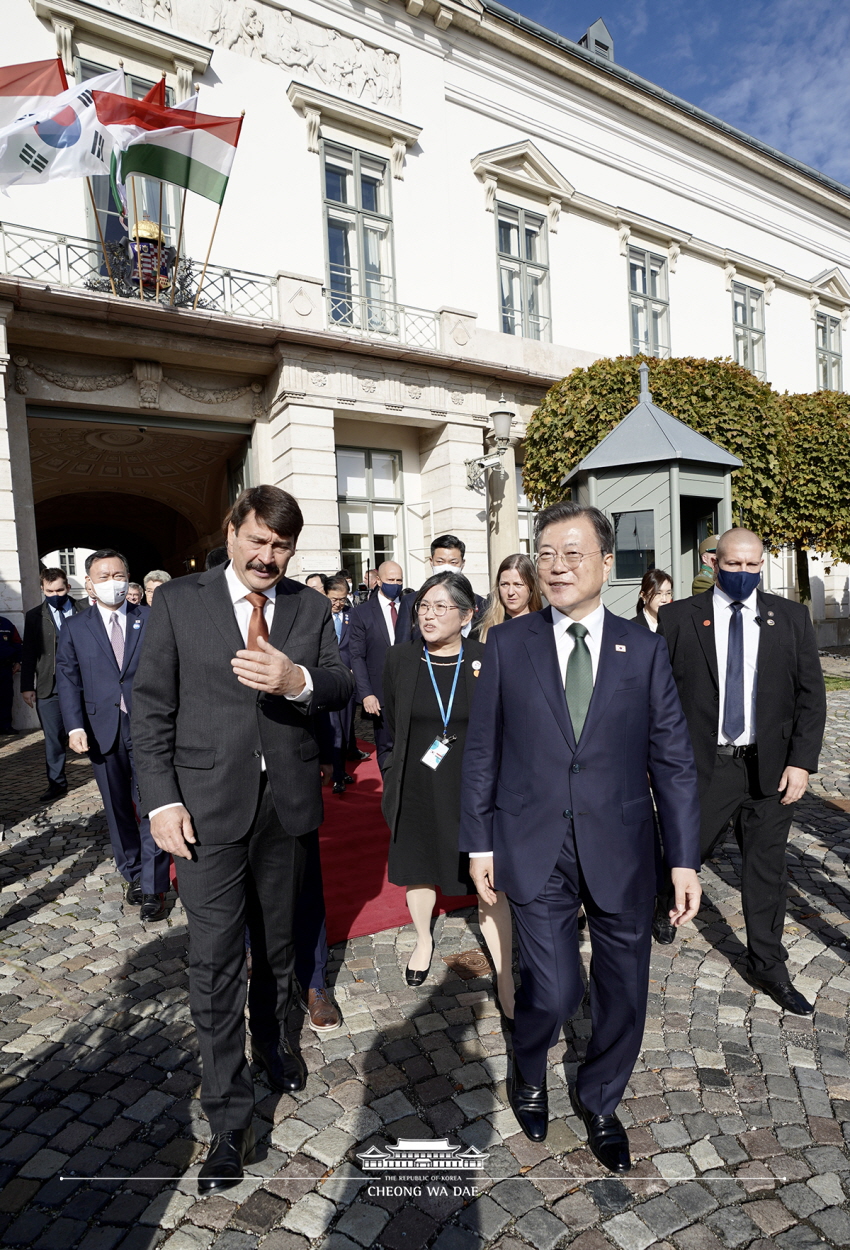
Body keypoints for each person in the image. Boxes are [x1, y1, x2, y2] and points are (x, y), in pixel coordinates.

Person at [460, 501, 701, 1169]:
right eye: (546, 554)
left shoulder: (644, 650)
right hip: (533, 843)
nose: (556, 566)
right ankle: (529, 1060)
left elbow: (674, 761)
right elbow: (482, 751)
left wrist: (684, 858)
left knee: (624, 987)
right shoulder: (508, 644)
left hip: (622, 848)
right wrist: (478, 842)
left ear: (604, 563)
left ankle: (600, 1098)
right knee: (559, 988)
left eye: (572, 554)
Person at [131, 485, 354, 1194]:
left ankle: (277, 1046)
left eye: (281, 546)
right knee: (216, 959)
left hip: (284, 808)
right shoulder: (179, 602)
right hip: (204, 811)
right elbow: (150, 711)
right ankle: (228, 1116)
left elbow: (341, 684)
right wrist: (161, 801)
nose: (267, 556)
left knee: (280, 948)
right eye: (257, 540)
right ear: (231, 532)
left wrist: (295, 681)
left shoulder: (310, 607)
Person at [655, 528, 826, 1014]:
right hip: (705, 767)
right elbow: (658, 698)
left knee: (766, 872)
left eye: (754, 566)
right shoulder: (677, 618)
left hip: (769, 769)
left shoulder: (790, 618)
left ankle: (767, 965)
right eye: (734, 565)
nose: (745, 575)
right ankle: (664, 900)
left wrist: (801, 762)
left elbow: (811, 696)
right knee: (688, 848)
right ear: (713, 562)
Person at [382, 571, 515, 1018]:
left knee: (489, 880)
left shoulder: (488, 658)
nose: (430, 615)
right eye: (424, 606)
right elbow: (393, 726)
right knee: (419, 867)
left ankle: (505, 969)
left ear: (466, 614)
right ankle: (423, 939)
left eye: (442, 607)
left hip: (474, 785)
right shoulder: (401, 660)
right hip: (418, 783)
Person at [56, 550, 170, 920]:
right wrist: (74, 726)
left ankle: (154, 887)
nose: (112, 582)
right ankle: (133, 874)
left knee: (153, 803)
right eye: (103, 576)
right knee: (118, 807)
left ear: (128, 577)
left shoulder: (152, 619)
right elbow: (68, 679)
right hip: (102, 730)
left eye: (118, 575)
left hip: (149, 728)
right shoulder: (75, 627)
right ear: (88, 583)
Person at [20, 568, 87, 799]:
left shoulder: (85, 610)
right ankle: (57, 783)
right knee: (53, 739)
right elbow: (29, 653)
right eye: (49, 591)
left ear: (68, 587)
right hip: (50, 686)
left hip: (85, 684)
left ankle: (105, 776)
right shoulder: (34, 616)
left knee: (97, 732)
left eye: (59, 589)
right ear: (42, 589)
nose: (55, 594)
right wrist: (27, 686)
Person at [348, 560, 404, 769]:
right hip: (380, 693)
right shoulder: (362, 613)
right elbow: (357, 656)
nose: (396, 584)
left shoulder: (411, 607)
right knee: (387, 747)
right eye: (391, 580)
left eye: (399, 580)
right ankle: (391, 797)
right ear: (378, 581)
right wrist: (366, 694)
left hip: (410, 690)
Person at [395, 536, 486, 642]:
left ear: (462, 563)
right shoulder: (410, 602)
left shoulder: (481, 604)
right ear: (431, 561)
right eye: (440, 561)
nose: (446, 567)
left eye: (453, 562)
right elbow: (401, 647)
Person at [323, 575, 356, 794]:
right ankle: (335, 774)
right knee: (332, 727)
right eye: (334, 599)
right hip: (326, 679)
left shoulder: (352, 616)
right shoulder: (319, 617)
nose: (338, 603)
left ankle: (340, 769)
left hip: (348, 679)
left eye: (342, 599)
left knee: (345, 727)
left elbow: (356, 646)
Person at [475, 554, 542, 643]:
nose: (510, 592)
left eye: (518, 585)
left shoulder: (545, 625)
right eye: (504, 584)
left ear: (531, 586)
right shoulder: (482, 628)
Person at [0, 615, 22, 733]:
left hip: (4, 667)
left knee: (6, 697)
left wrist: (18, 661)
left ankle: (5, 726)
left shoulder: (6, 623)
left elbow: (17, 643)